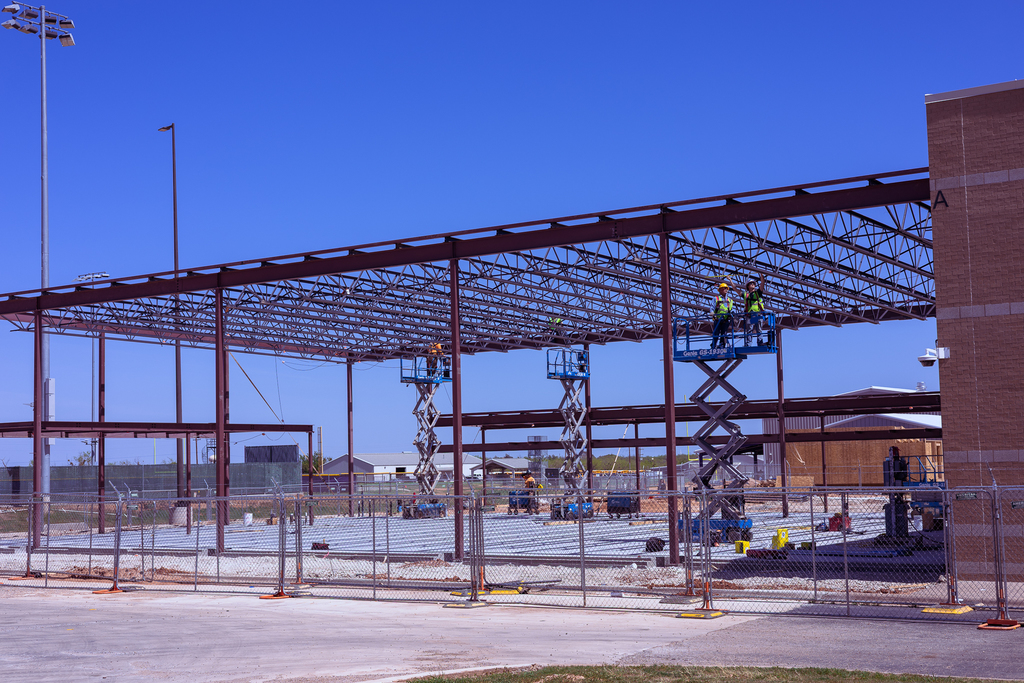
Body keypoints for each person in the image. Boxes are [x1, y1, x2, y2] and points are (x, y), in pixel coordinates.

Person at [733, 275, 768, 345]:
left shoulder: (757, 293)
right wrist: (730, 280)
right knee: (749, 330)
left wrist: (761, 275)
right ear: (748, 286)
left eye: (753, 283)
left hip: (757, 315)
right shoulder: (746, 294)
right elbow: (735, 289)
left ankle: (759, 342)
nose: (753, 284)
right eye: (751, 283)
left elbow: (762, 283)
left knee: (759, 330)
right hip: (750, 316)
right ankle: (749, 343)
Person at [710, 282, 733, 348]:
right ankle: (714, 346)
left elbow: (730, 310)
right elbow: (712, 308)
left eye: (726, 288)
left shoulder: (730, 300)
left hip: (725, 320)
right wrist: (712, 314)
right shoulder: (716, 299)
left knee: (724, 334)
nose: (726, 289)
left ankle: (722, 346)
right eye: (724, 288)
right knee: (716, 333)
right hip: (717, 319)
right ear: (720, 290)